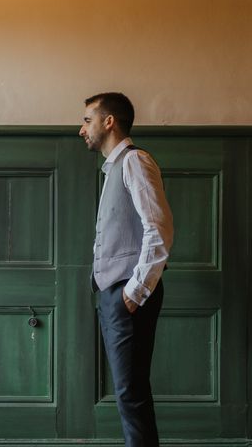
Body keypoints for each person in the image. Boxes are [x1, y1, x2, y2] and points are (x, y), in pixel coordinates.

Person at [79, 92, 174, 447]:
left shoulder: (135, 161)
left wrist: (132, 294)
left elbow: (159, 230)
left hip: (127, 295)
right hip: (115, 293)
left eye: (87, 120)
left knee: (130, 394)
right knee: (129, 394)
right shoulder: (116, 166)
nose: (81, 129)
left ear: (109, 122)